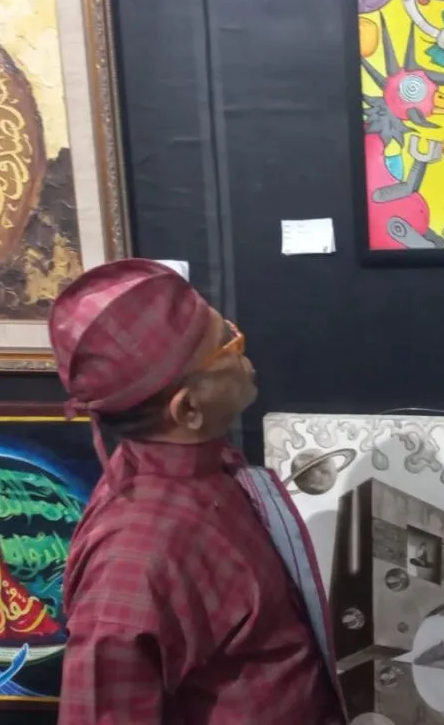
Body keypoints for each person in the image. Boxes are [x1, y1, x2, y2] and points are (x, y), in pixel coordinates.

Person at [49, 258, 346, 724]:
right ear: (187, 409)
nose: (243, 347)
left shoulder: (206, 467)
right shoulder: (134, 563)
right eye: (227, 343)